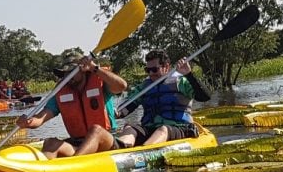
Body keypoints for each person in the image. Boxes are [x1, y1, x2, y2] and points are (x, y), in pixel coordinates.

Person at [74, 49, 210, 153]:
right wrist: (118, 113)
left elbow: (204, 97)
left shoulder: (181, 82)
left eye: (154, 69)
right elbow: (129, 107)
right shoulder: (144, 87)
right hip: (150, 128)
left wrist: (189, 74)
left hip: (179, 128)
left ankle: (143, 153)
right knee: (130, 128)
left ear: (166, 67)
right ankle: (119, 149)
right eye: (148, 70)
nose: (151, 73)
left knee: (163, 129)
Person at [15, 55, 127, 158]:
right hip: (79, 144)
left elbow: (122, 86)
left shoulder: (100, 82)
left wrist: (94, 67)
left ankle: (75, 163)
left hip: (106, 141)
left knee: (96, 130)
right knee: (50, 143)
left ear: (83, 70)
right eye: (65, 73)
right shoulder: (62, 91)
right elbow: (41, 118)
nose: (68, 76)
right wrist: (28, 122)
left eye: (71, 72)